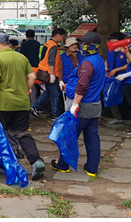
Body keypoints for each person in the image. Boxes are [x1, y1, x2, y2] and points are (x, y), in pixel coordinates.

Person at [0, 33, 46, 181]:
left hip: (5, 104)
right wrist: (25, 90)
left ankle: (5, 166)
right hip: (22, 103)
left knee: (2, 135)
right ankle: (36, 161)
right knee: (22, 133)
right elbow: (32, 77)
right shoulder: (21, 57)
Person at [51, 32, 106, 177]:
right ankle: (92, 168)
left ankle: (63, 164)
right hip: (94, 104)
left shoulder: (88, 63)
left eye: (84, 43)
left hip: (83, 105)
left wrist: (75, 104)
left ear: (92, 46)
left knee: (70, 134)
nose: (82, 46)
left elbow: (82, 85)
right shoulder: (98, 59)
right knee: (92, 137)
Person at [30, 28, 67, 120]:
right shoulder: (54, 46)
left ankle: (35, 106)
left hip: (44, 71)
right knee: (54, 94)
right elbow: (51, 61)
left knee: (49, 92)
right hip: (50, 72)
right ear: (58, 35)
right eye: (62, 37)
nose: (62, 39)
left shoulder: (48, 44)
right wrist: (52, 75)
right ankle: (55, 113)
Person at [105, 32, 129, 125]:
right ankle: (116, 117)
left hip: (123, 77)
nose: (111, 41)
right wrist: (105, 67)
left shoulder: (125, 50)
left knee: (124, 97)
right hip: (112, 77)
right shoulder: (110, 50)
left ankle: (126, 116)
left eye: (114, 40)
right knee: (112, 95)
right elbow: (107, 60)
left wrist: (117, 69)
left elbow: (129, 64)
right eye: (111, 40)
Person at [60, 37, 83, 109]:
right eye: (72, 45)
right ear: (67, 46)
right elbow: (60, 69)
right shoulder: (62, 57)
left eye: (75, 44)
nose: (74, 46)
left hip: (81, 81)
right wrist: (60, 80)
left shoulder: (81, 55)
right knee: (69, 102)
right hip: (68, 82)